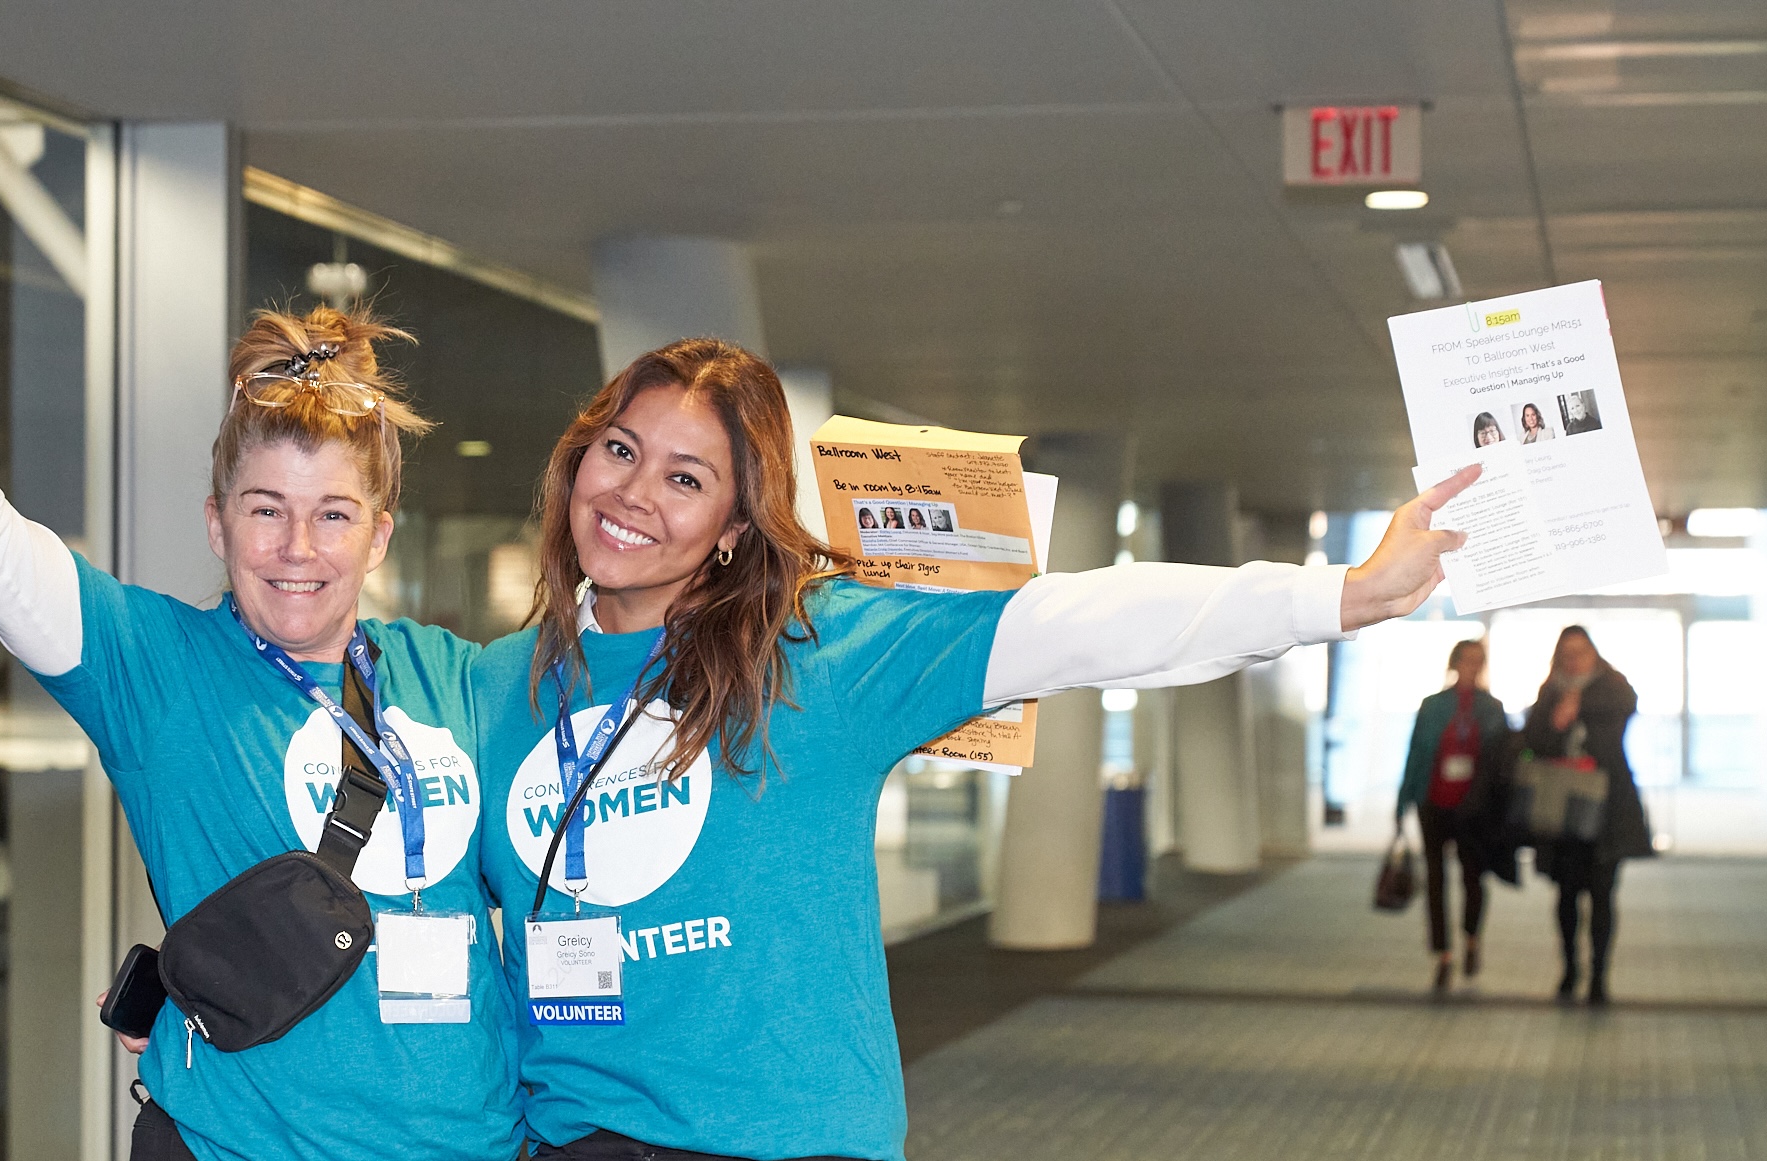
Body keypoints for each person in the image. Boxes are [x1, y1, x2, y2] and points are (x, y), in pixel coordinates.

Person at [471, 338, 1474, 1161]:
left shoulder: (819, 659)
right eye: (619, 450)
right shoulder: (490, 688)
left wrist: (1339, 594)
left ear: (735, 525)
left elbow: (1079, 622)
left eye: (685, 477)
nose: (634, 492)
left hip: (784, 1140)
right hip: (574, 1140)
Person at [0, 190, 517, 1161]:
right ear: (217, 524)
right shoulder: (156, 669)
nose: (298, 546)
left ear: (380, 533)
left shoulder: (457, 680)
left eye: (334, 514)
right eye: (265, 510)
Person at [1523, 625, 1653, 1006]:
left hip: (1606, 810)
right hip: (1562, 809)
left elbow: (1625, 710)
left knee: (1601, 894)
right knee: (1565, 896)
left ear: (1594, 652)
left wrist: (1581, 706)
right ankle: (1569, 968)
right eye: (1568, 652)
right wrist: (1556, 722)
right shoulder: (1550, 691)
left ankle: (1598, 974)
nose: (1575, 659)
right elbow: (1533, 741)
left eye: (1581, 651)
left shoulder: (1612, 686)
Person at [1395, 638, 1514, 991]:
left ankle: (1472, 938)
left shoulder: (1492, 708)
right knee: (1436, 878)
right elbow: (1416, 753)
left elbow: (1502, 761)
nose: (1473, 666)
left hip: (1473, 807)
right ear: (1455, 662)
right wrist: (1402, 801)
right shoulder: (1432, 706)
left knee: (1473, 875)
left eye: (1479, 660)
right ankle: (1443, 952)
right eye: (1468, 660)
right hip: (1433, 801)